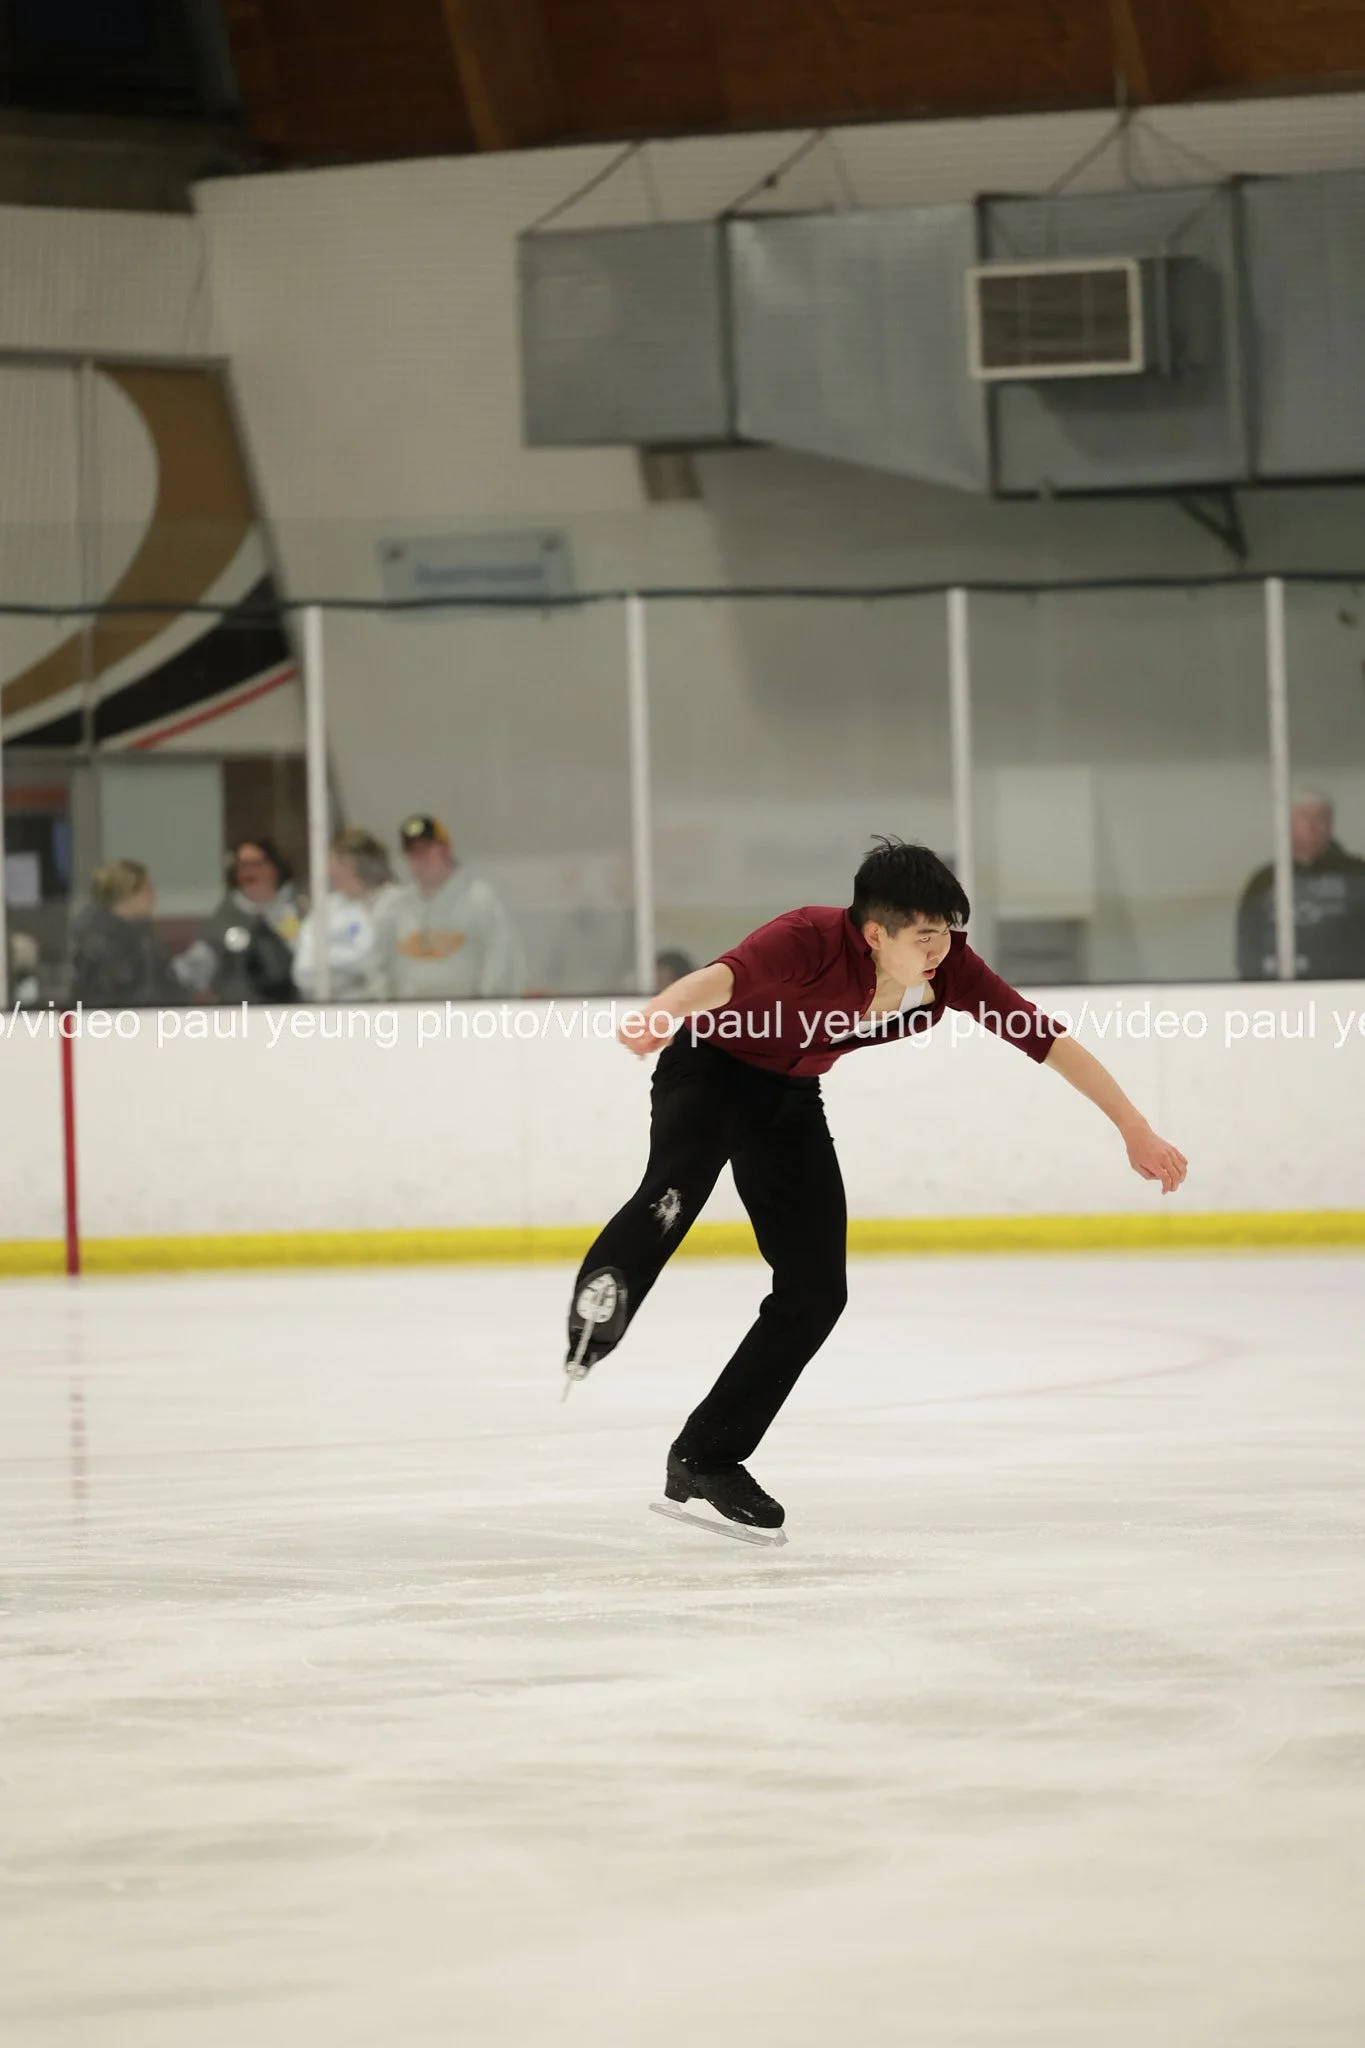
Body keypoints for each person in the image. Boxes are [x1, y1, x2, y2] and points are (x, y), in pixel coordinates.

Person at [563, 838, 1187, 1538]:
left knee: (817, 1291)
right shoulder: (805, 937)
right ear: (873, 934)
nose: (940, 949)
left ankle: (705, 1458)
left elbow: (1044, 1039)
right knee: (678, 1186)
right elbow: (722, 979)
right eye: (924, 936)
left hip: (790, 1097)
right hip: (710, 1068)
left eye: (946, 932)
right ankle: (603, 1300)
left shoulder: (951, 970)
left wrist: (1134, 1128)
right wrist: (663, 1009)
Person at [384, 815, 526, 1000]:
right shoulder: (396, 907)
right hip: (409, 1012)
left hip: (465, 1011)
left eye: (426, 849)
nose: (420, 858)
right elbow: (381, 968)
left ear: (446, 849)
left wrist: (485, 1010)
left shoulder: (480, 901)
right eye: (413, 852)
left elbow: (502, 962)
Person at [1236, 790, 1365, 980]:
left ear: (1330, 825)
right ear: (1288, 823)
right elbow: (1248, 944)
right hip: (1279, 989)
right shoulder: (1265, 880)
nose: (1312, 825)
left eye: (1320, 818)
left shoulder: (1356, 874)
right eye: (1304, 816)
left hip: (1347, 988)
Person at [176, 838, 303, 1003]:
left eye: (256, 864)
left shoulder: (300, 909)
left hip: (295, 1011)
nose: (249, 872)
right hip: (238, 1011)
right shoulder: (223, 919)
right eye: (243, 866)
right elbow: (196, 969)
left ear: (274, 868)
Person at [293, 828, 402, 1000]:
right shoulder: (326, 909)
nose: (329, 870)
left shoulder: (398, 903)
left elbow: (378, 963)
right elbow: (304, 971)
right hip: (334, 1009)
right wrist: (352, 972)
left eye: (335, 862)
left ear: (355, 864)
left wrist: (331, 964)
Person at [69, 859, 184, 1009]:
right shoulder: (98, 943)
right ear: (130, 894)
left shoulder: (146, 936)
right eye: (147, 890)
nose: (153, 897)